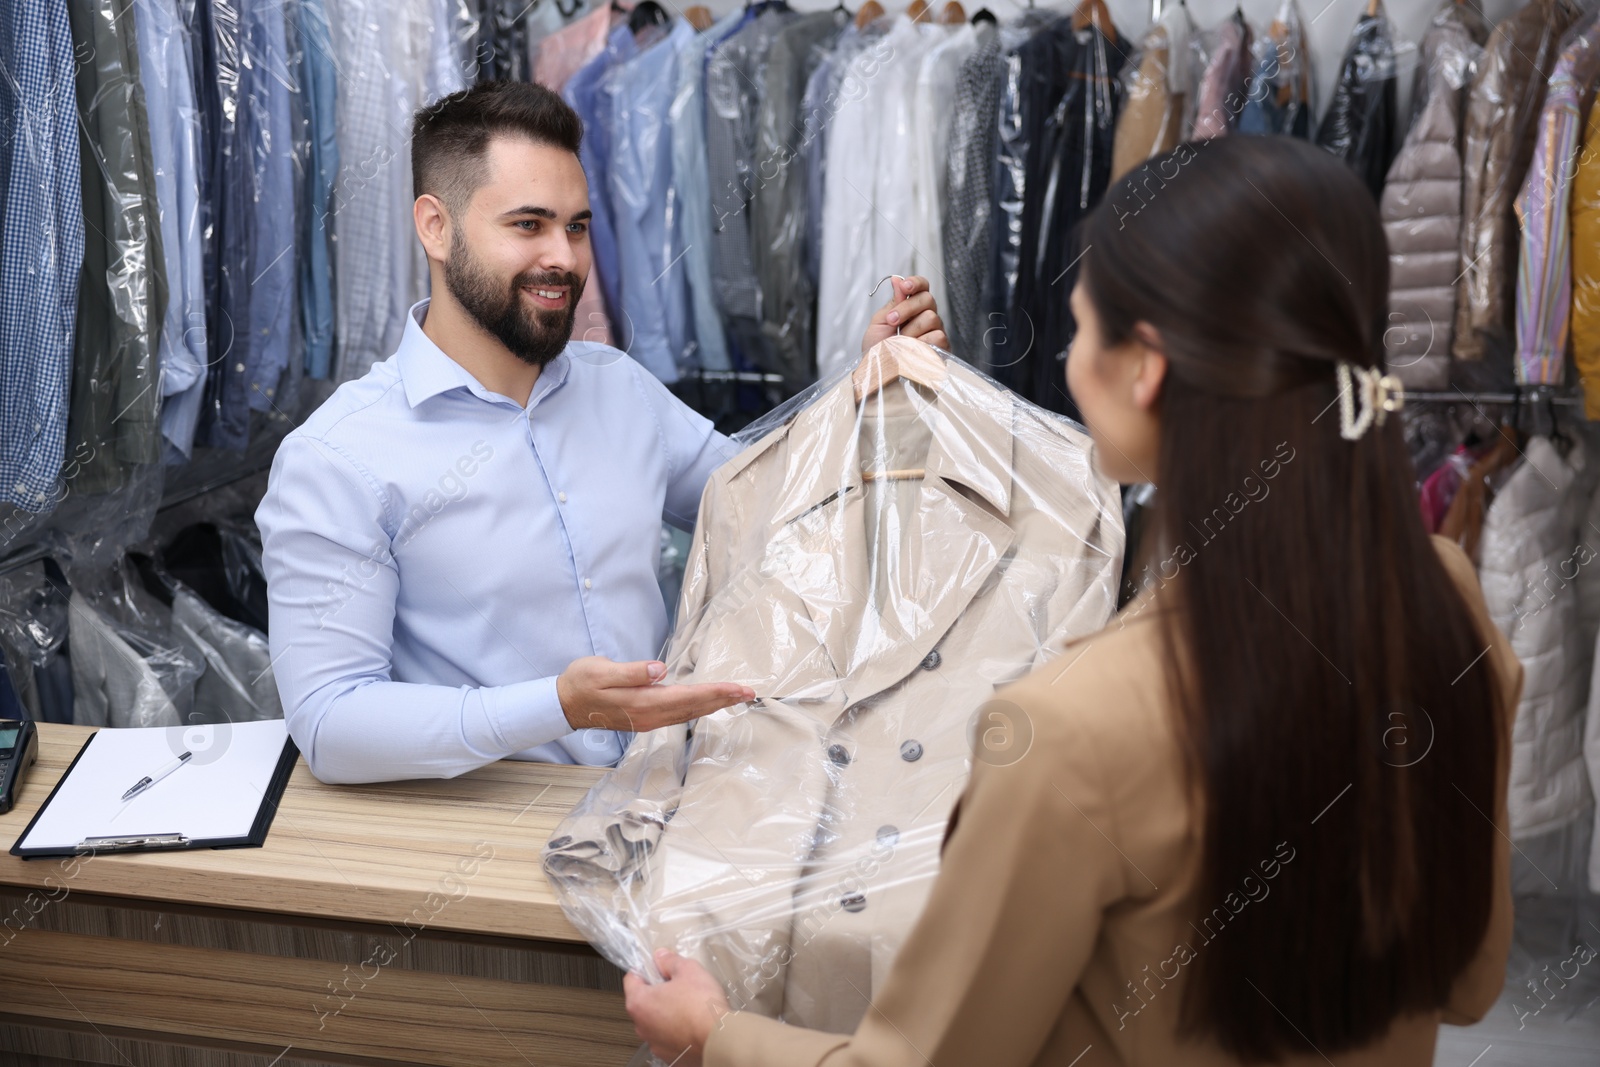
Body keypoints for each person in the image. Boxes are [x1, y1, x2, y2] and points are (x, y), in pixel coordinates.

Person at [623, 135, 1519, 1066]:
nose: (1071, 364)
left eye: (1083, 328)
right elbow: (1471, 978)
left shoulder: (1072, 727)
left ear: (1149, 368)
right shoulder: (1446, 604)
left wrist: (715, 1033)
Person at [256, 80, 947, 784]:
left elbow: (767, 501)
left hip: (662, 808)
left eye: (577, 226)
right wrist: (559, 706)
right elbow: (331, 723)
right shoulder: (339, 458)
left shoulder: (618, 387)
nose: (565, 257)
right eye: (529, 225)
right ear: (436, 227)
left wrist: (868, 395)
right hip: (477, 842)